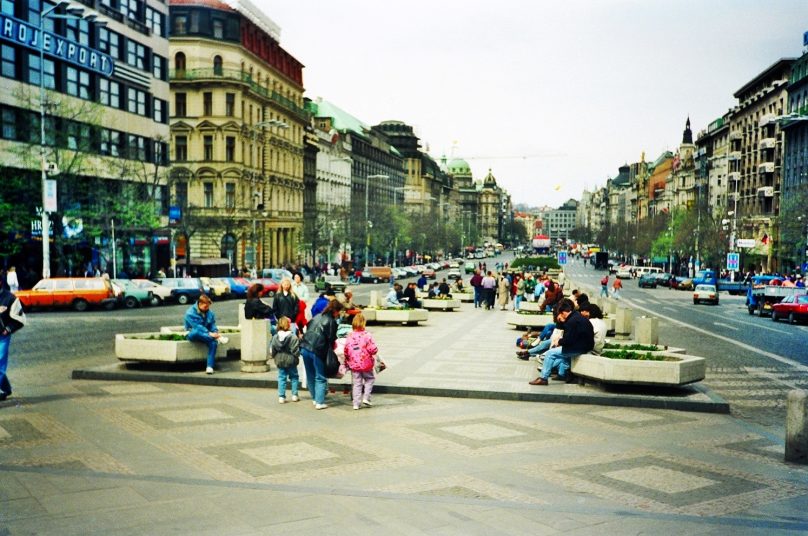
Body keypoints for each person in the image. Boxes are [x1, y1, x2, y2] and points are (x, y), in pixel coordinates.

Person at [529, 299, 594, 385]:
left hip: (578, 348)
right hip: (586, 346)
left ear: (563, 313)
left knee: (550, 354)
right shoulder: (577, 317)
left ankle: (543, 378)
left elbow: (568, 340)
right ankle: (562, 374)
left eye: (559, 314)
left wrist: (558, 342)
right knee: (563, 356)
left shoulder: (571, 322)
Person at [300, 300, 344, 409]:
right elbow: (331, 338)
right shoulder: (331, 321)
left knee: (310, 375)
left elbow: (308, 328)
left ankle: (315, 399)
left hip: (305, 347)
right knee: (320, 376)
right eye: (339, 312)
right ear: (336, 311)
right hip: (317, 350)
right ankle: (319, 402)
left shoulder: (317, 316)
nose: (339, 314)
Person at [184, 294, 227, 375]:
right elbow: (197, 327)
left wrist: (215, 331)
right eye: (205, 306)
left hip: (206, 335)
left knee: (213, 343)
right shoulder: (190, 313)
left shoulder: (210, 312)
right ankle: (218, 338)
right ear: (199, 304)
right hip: (192, 333)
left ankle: (209, 367)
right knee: (197, 331)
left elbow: (212, 324)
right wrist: (210, 333)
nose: (207, 308)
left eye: (208, 306)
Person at [344, 313, 379, 410]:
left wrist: (348, 360)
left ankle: (356, 404)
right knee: (370, 379)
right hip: (366, 363)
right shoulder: (367, 335)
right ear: (364, 323)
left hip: (354, 364)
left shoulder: (350, 336)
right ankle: (366, 398)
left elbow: (346, 350)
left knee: (357, 383)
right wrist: (376, 349)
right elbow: (373, 350)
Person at [0, 285, 26, 401]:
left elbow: (20, 319)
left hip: (2, 337)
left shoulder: (10, 298)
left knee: (0, 363)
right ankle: (5, 389)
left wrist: (8, 329)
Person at [270, 316, 300, 403]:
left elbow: (273, 349)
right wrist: (297, 356)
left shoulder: (275, 337)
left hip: (280, 359)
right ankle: (294, 395)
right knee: (294, 377)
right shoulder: (293, 337)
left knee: (281, 377)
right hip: (291, 360)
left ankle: (281, 396)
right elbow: (295, 350)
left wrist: (274, 356)